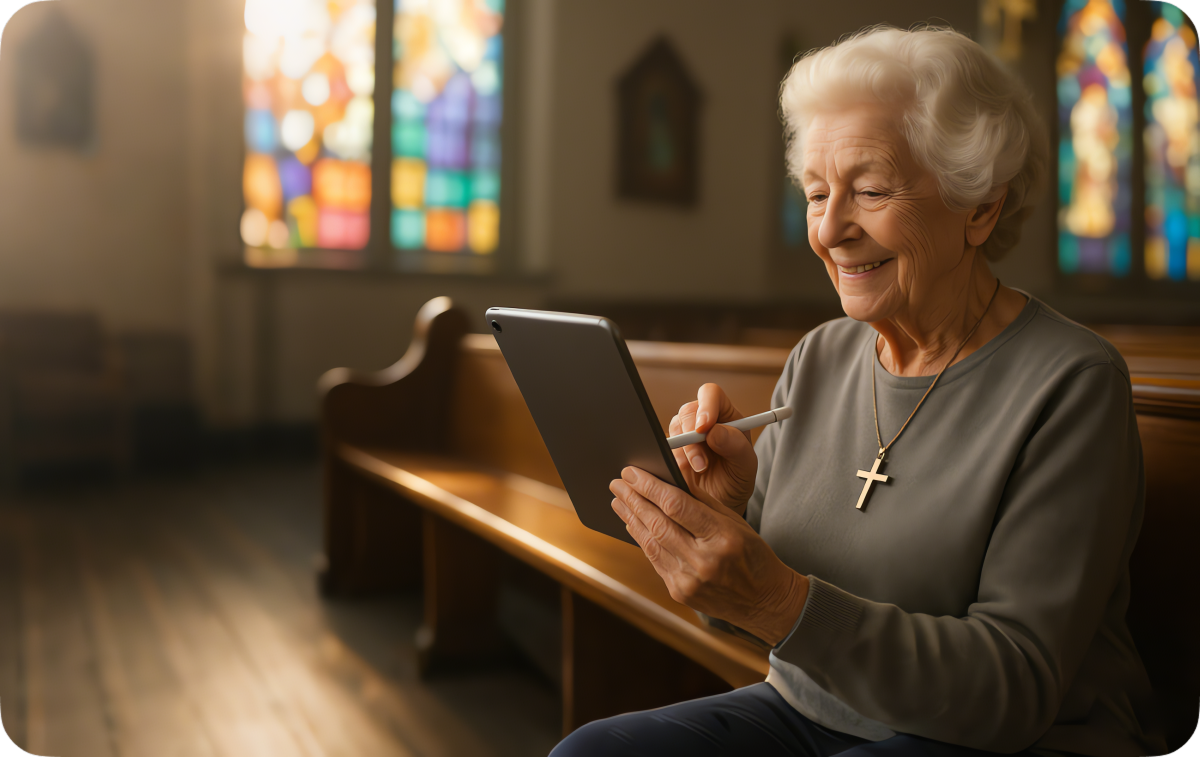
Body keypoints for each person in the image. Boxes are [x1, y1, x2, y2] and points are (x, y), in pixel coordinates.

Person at [550, 25, 1167, 757]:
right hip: (815, 711)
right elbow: (754, 618)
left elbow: (1017, 687)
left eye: (870, 189)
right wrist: (726, 519)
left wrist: (778, 598)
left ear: (980, 207)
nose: (831, 228)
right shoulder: (819, 356)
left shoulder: (1072, 382)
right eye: (816, 193)